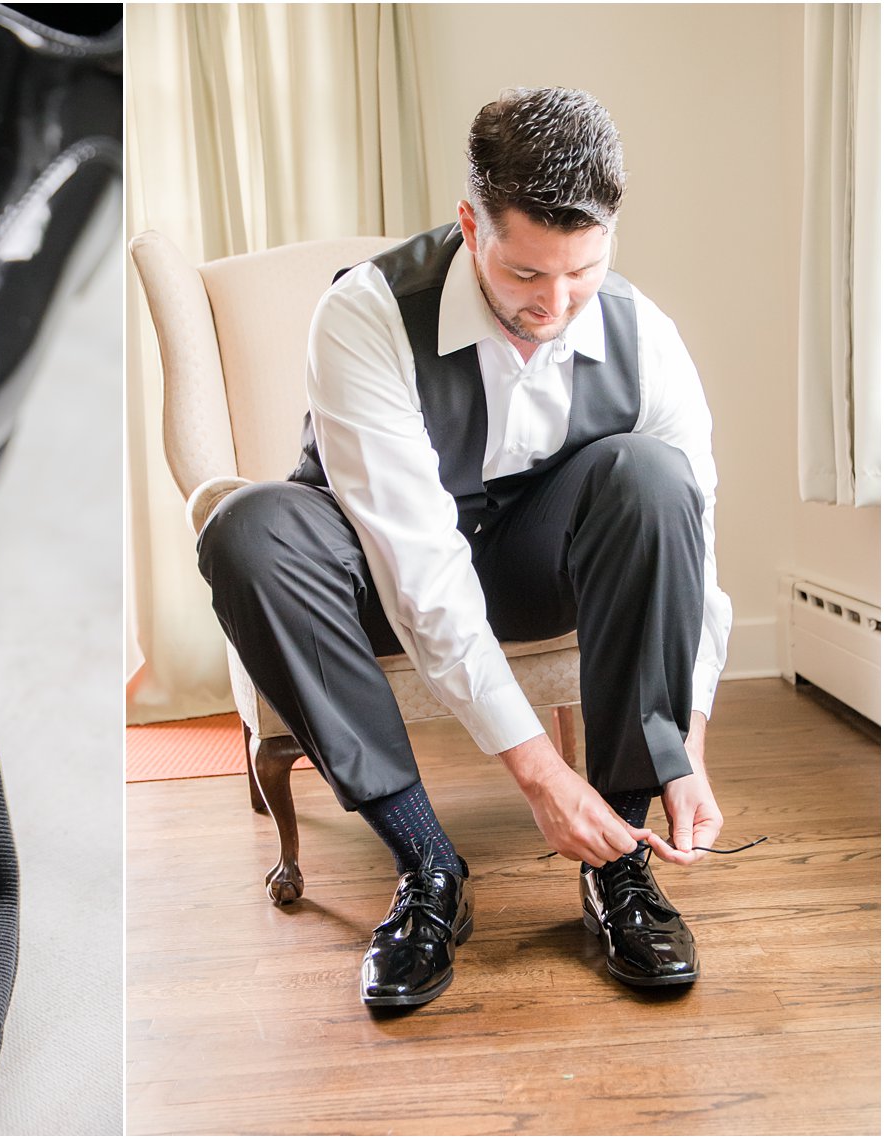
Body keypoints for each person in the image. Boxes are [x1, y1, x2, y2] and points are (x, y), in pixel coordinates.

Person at [196, 86, 732, 1006]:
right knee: (246, 531)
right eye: (526, 274)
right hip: (371, 569)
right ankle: (427, 869)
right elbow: (420, 572)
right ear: (469, 223)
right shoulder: (365, 313)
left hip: (537, 568)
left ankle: (620, 864)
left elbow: (695, 558)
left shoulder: (646, 337)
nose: (554, 304)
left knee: (655, 478)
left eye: (583, 270)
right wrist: (537, 772)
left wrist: (686, 746)